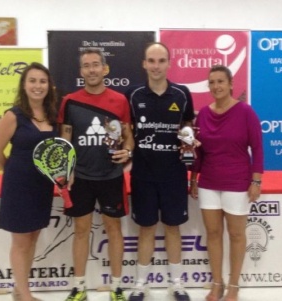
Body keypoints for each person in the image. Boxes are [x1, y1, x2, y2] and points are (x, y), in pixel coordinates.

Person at [57, 47, 134, 301]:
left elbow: (127, 136)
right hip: (80, 178)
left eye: (95, 64)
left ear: (105, 69)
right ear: (81, 71)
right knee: (81, 230)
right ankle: (79, 287)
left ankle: (116, 287)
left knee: (114, 230)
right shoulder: (69, 101)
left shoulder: (120, 101)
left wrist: (128, 152)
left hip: (111, 176)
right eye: (86, 65)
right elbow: (65, 139)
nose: (91, 69)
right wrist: (66, 172)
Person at [125, 42, 196, 301]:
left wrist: (188, 141)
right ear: (144, 63)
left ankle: (176, 284)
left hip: (174, 175)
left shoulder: (182, 93)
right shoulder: (132, 95)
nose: (156, 66)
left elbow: (188, 125)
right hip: (142, 174)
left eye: (161, 60)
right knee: (146, 229)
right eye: (151, 61)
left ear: (169, 63)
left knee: (172, 227)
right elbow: (126, 129)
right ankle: (140, 284)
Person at [189, 65, 264, 301]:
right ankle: (217, 283)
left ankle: (234, 285)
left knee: (236, 235)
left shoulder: (245, 112)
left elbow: (258, 148)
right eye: (212, 82)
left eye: (221, 81)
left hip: (238, 182)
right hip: (209, 182)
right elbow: (198, 153)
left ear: (231, 84)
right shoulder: (202, 114)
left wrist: (256, 181)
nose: (216, 86)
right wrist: (193, 178)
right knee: (212, 233)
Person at [0, 62, 58, 301]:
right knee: (20, 242)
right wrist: (13, 172)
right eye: (32, 81)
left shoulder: (52, 116)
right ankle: (25, 297)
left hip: (42, 186)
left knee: (33, 239)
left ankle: (20, 290)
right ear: (24, 85)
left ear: (49, 86)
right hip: (18, 186)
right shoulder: (13, 115)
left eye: (42, 81)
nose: (37, 86)